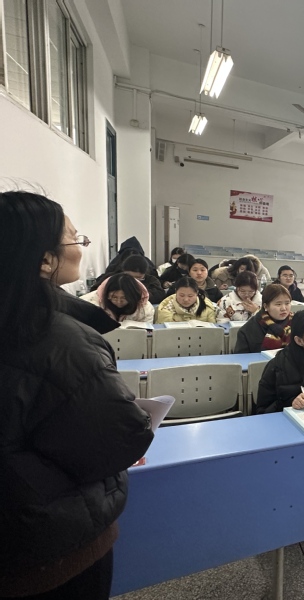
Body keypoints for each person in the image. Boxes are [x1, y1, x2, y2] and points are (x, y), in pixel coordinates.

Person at [0, 191, 153, 598]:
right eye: (73, 237)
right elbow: (120, 437)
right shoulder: (64, 339)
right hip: (53, 539)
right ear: (45, 259)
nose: (82, 245)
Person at [234, 283, 294, 353]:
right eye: (278, 304)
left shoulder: (297, 323)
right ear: (266, 306)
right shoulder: (248, 330)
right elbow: (241, 357)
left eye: (287, 303)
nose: (283, 308)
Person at [81, 273, 155, 324]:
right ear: (106, 294)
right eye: (114, 297)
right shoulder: (89, 304)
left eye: (124, 298)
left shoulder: (145, 309)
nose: (119, 301)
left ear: (133, 296)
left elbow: (147, 334)